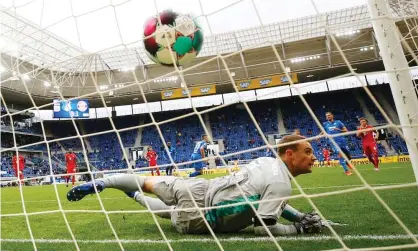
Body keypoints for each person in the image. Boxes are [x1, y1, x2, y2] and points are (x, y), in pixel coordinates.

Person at [67, 135, 323, 236]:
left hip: (201, 187)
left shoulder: (267, 161)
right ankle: (134, 195)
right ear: (289, 154)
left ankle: (105, 182)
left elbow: (266, 199)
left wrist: (299, 215)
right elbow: (263, 228)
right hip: (206, 218)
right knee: (168, 212)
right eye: (309, 152)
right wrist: (298, 228)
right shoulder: (281, 184)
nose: (314, 157)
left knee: (147, 182)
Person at [320, 112, 354, 176]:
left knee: (349, 156)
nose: (328, 117)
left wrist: (339, 130)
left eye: (329, 115)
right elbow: (323, 131)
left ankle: (347, 163)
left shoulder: (338, 122)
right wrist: (318, 136)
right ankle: (346, 171)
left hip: (342, 141)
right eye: (326, 116)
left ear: (332, 116)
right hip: (333, 142)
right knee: (340, 154)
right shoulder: (325, 124)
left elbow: (346, 130)